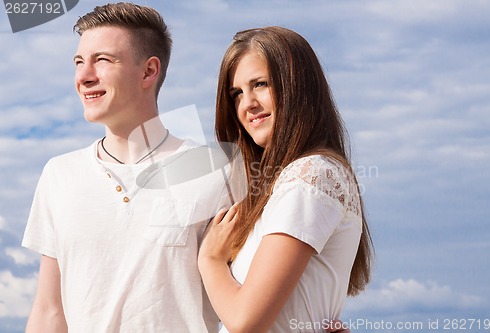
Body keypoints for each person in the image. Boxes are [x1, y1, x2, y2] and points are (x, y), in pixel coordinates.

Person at [21, 3, 233, 332]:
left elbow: (251, 290)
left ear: (149, 71)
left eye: (102, 60)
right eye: (79, 62)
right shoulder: (59, 175)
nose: (83, 76)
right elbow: (49, 310)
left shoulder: (214, 171)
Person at [198, 26, 374, 332]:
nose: (247, 104)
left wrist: (211, 261)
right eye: (237, 93)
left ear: (297, 87)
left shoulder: (310, 175)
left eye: (261, 84)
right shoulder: (285, 183)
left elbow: (246, 322)